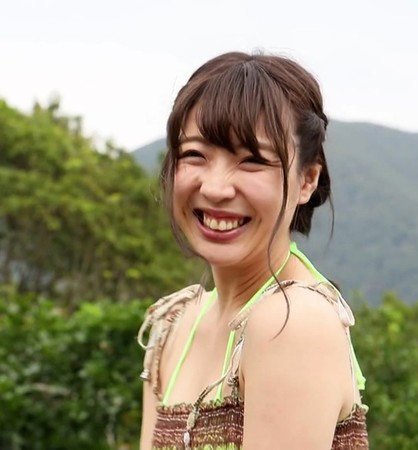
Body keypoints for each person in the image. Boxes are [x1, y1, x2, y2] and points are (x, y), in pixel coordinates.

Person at [137, 51, 369, 449]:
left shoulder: (293, 321)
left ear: (307, 180)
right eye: (194, 155)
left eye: (252, 161)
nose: (215, 188)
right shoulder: (173, 324)